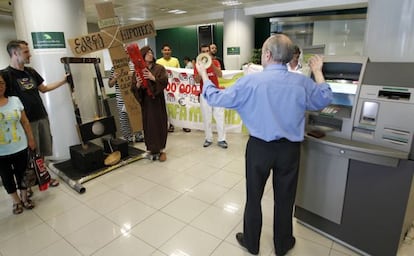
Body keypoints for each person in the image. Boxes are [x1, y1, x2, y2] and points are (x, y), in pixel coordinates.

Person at [196, 34, 332, 255]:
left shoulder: (250, 82)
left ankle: (252, 242)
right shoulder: (302, 82)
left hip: (259, 148)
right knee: (285, 199)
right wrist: (317, 71)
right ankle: (282, 243)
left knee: (254, 196)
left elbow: (216, 98)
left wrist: (204, 74)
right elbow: (324, 98)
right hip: (290, 150)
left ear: (267, 55)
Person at [2, 40, 66, 191]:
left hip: (41, 116)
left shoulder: (30, 72)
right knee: (28, 155)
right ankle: (28, 185)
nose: (29, 54)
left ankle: (42, 176)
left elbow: (43, 88)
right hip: (24, 122)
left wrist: (63, 81)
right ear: (15, 53)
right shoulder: (5, 75)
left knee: (42, 150)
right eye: (25, 52)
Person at [0, 73, 36, 214]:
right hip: (1, 152)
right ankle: (16, 202)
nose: (0, 86)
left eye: (1, 83)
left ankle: (25, 198)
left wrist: (31, 139)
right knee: (7, 177)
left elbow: (25, 122)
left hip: (20, 146)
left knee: (23, 175)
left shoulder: (15, 100)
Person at [131, 46, 168, 162]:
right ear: (142, 56)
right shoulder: (138, 71)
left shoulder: (159, 68)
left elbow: (164, 82)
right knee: (149, 126)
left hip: (157, 101)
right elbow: (134, 88)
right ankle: (151, 149)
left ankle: (161, 150)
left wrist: (153, 78)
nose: (150, 54)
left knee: (160, 124)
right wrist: (137, 84)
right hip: (147, 103)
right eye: (148, 53)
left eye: (151, 52)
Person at [194, 44, 227, 149]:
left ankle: (222, 139)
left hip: (216, 93)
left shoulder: (216, 62)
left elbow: (220, 75)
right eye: (203, 51)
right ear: (200, 53)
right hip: (205, 94)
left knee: (219, 116)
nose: (206, 53)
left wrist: (211, 64)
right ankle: (208, 138)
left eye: (207, 51)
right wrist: (200, 71)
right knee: (207, 117)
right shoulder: (197, 65)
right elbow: (196, 80)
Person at [156, 44, 191, 132]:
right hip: (165, 88)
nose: (167, 52)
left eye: (168, 50)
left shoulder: (175, 60)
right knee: (169, 106)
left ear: (171, 51)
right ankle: (171, 125)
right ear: (162, 51)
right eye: (165, 50)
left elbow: (179, 72)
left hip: (175, 87)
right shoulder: (158, 62)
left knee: (180, 104)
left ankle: (184, 124)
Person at [108, 66, 144, 143]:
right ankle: (128, 138)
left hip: (133, 95)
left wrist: (133, 76)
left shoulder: (133, 65)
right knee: (123, 118)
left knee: (136, 115)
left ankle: (139, 136)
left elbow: (141, 80)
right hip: (121, 97)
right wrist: (114, 78)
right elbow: (110, 84)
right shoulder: (115, 67)